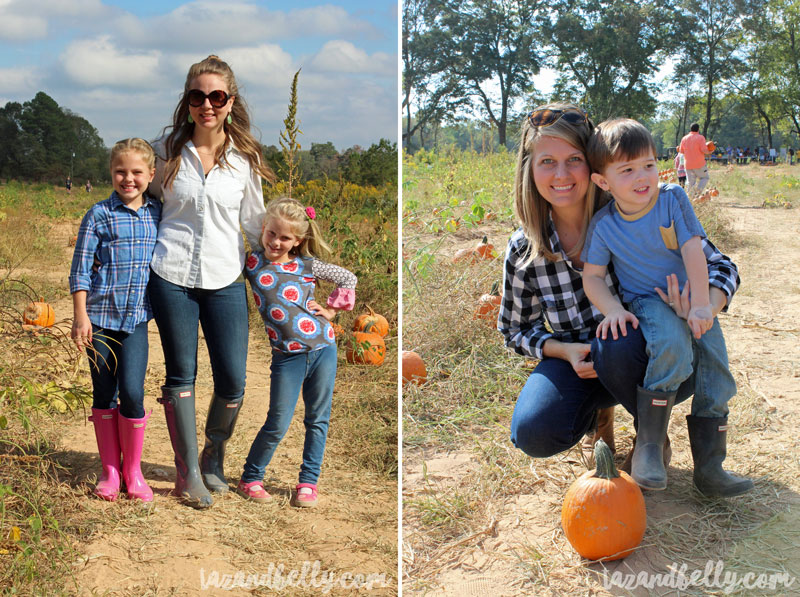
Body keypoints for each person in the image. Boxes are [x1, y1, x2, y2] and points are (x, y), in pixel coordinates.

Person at [498, 103, 746, 498]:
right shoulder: (524, 247)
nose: (561, 174)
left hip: (645, 356)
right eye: (548, 161)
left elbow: (721, 266)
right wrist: (562, 350)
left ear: (593, 170)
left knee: (618, 339)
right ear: (529, 169)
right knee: (535, 430)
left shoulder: (638, 208)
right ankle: (602, 414)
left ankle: (653, 441)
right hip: (579, 363)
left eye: (573, 160)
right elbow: (514, 329)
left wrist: (702, 305)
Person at [581, 118, 753, 496]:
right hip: (646, 301)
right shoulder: (604, 225)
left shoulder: (673, 198)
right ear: (602, 182)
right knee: (673, 347)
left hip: (691, 297)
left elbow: (693, 248)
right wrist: (612, 308)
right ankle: (648, 447)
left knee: (717, 370)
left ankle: (710, 467)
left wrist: (702, 304)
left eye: (648, 164)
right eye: (627, 170)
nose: (642, 176)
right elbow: (592, 277)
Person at [147, 55, 274, 509]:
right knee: (182, 373)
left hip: (224, 277)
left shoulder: (244, 161)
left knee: (234, 379)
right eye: (198, 96)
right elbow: (140, 200)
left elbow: (258, 224)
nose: (207, 104)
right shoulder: (163, 153)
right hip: (171, 273)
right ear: (187, 102)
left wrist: (294, 272)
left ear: (230, 102)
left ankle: (213, 456)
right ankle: (187, 475)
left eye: (216, 96)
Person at [236, 198, 357, 508]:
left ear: (298, 240)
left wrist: (330, 310)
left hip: (322, 348)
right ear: (263, 229)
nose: (276, 242)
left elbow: (348, 278)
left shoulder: (306, 265)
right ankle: (251, 477)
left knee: (317, 419)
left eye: (285, 237)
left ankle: (308, 483)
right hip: (286, 356)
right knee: (277, 420)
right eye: (272, 233)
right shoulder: (251, 263)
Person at [69, 138, 161, 502]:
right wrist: (80, 316)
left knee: (134, 393)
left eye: (137, 172)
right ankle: (110, 471)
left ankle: (133, 470)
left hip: (136, 320)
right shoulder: (98, 215)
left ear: (150, 175)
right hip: (101, 321)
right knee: (104, 392)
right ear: (111, 173)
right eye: (120, 171)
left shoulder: (157, 214)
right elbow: (80, 270)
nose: (128, 179)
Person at [678, 124, 712, 196]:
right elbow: (704, 150)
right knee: (705, 178)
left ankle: (690, 198)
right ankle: (697, 192)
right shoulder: (701, 138)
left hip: (688, 164)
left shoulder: (684, 138)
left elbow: (681, 151)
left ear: (690, 129)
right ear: (698, 129)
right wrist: (709, 152)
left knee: (690, 182)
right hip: (699, 164)